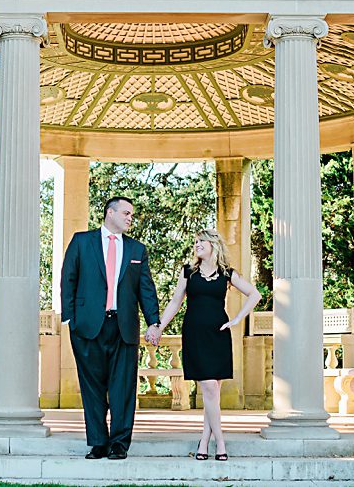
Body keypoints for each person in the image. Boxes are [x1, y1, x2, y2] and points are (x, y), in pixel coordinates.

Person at [61, 196, 161, 460]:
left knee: (123, 387)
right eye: (126, 213)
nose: (130, 218)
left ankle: (119, 443)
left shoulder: (137, 250)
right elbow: (67, 279)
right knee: (92, 387)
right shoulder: (82, 241)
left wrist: (154, 321)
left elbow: (146, 290)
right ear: (110, 213)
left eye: (131, 214)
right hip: (87, 327)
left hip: (123, 326)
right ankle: (98, 442)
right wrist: (70, 319)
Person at [149, 229, 260, 461]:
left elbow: (254, 294)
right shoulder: (188, 272)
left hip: (218, 333)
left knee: (213, 392)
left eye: (201, 241)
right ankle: (220, 442)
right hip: (195, 333)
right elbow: (175, 302)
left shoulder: (227, 274)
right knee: (209, 388)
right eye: (195, 242)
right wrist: (159, 326)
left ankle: (203, 441)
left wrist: (237, 319)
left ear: (213, 244)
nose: (197, 245)